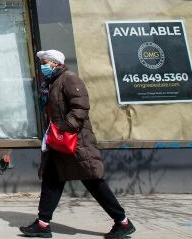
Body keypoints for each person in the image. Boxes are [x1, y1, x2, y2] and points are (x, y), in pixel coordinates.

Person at [20, 49, 136, 239]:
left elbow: (80, 108)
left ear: (56, 63)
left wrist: (64, 129)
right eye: (41, 63)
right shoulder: (51, 84)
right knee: (52, 180)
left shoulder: (69, 79)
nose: (42, 67)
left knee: (93, 181)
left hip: (75, 142)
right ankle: (42, 224)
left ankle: (122, 222)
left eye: (45, 62)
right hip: (59, 142)